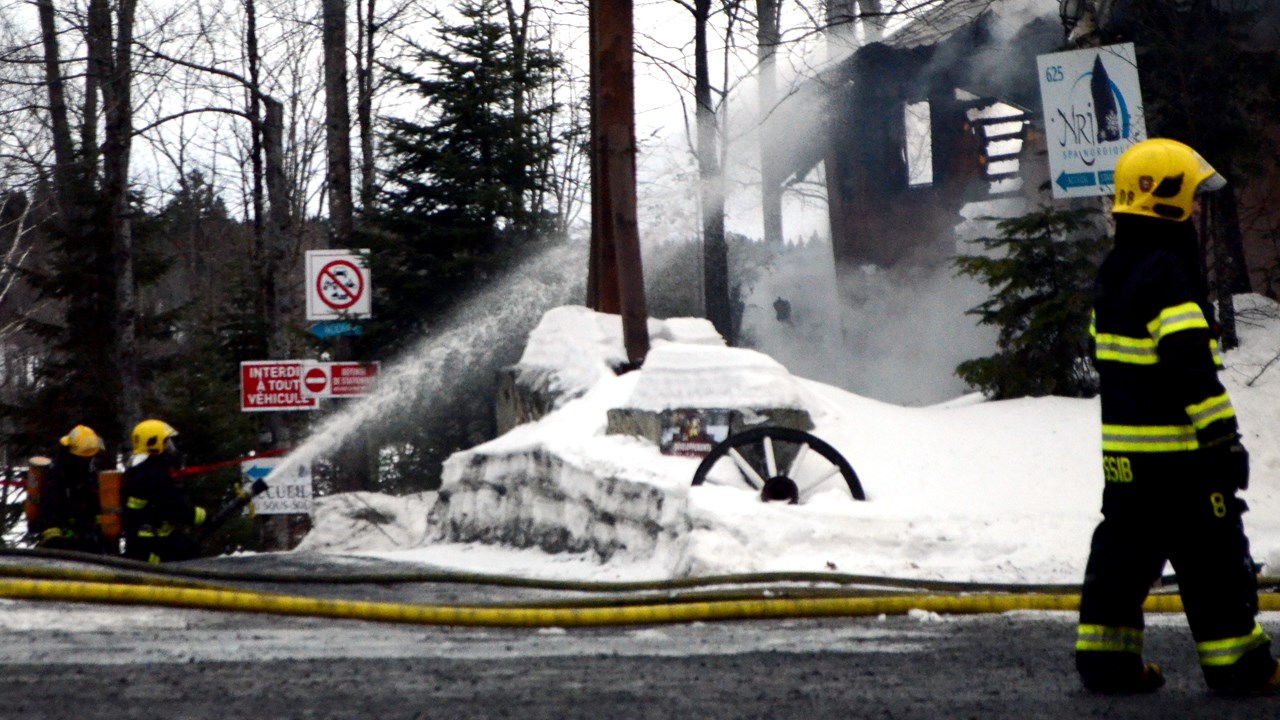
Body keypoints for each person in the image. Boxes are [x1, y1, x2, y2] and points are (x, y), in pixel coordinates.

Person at [1077, 138, 1280, 693]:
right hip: (1183, 461)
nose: (1196, 209)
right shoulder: (1169, 275)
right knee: (1214, 560)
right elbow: (1191, 369)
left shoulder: (1114, 274)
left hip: (1125, 462)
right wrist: (1224, 439)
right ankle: (1239, 665)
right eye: (1191, 198)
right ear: (1166, 201)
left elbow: (1111, 361)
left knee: (1121, 558)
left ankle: (1106, 663)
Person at [121, 419, 207, 564]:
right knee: (192, 558)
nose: (170, 447)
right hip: (152, 544)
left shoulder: (138, 469)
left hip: (144, 541)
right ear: (154, 443)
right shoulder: (153, 474)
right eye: (166, 442)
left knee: (189, 548)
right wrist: (201, 516)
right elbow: (174, 507)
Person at [31, 425, 106, 553]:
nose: (88, 460)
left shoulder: (88, 475)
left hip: (85, 541)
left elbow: (94, 506)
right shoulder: (56, 478)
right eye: (85, 457)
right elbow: (49, 513)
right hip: (60, 545)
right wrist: (58, 541)